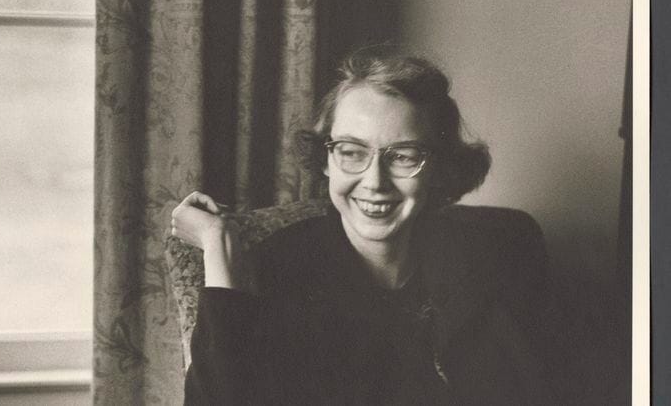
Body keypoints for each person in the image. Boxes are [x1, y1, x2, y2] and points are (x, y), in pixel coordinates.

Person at [171, 45, 565, 405]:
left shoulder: (492, 256)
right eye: (351, 151)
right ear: (326, 160)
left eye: (403, 156)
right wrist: (217, 240)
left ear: (439, 167)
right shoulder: (276, 269)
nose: (374, 181)